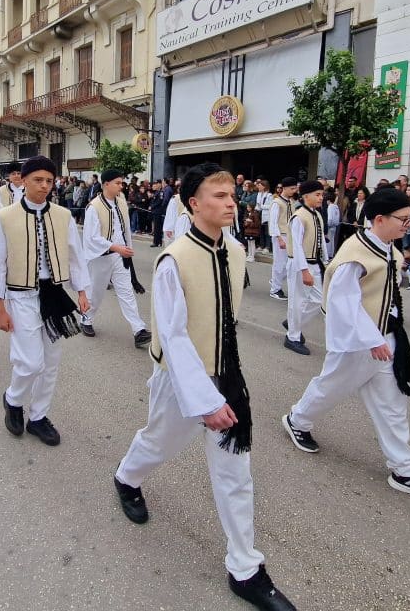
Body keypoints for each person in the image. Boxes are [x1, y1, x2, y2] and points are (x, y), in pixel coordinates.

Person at [113, 163, 297, 611]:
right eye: (218, 195)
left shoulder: (234, 251)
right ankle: (126, 478)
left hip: (225, 376)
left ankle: (245, 568)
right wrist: (205, 400)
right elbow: (173, 338)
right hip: (181, 381)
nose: (231, 202)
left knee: (236, 473)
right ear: (193, 203)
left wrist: (224, 387)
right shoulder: (174, 259)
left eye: (232, 194)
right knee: (158, 441)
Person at [281, 188, 410, 507]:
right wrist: (371, 339)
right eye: (402, 218)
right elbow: (343, 302)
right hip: (357, 342)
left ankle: (405, 470)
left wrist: (388, 328)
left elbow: (385, 292)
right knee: (330, 387)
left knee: (392, 404)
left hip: (382, 338)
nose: (408, 223)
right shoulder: (355, 254)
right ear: (379, 219)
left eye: (409, 217)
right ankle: (297, 420)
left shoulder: (387, 248)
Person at [0, 156, 91, 447]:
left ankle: (38, 417)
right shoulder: (4, 218)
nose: (44, 186)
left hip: (53, 294)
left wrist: (82, 291)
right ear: (23, 181)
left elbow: (76, 256)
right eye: (38, 180)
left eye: (49, 181)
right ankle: (13, 399)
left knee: (51, 362)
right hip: (20, 296)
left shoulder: (63, 216)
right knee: (30, 362)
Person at [80, 169, 151, 349]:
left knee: (126, 292)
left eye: (121, 182)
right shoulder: (93, 207)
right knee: (95, 292)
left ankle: (139, 330)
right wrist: (115, 247)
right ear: (106, 184)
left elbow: (125, 228)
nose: (121, 186)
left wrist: (126, 248)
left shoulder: (121, 202)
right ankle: (86, 319)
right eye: (118, 183)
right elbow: (91, 238)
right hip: (100, 257)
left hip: (120, 256)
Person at [282, 181, 327, 356]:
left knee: (318, 300)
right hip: (300, 264)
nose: (321, 198)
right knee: (297, 301)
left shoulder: (316, 215)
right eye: (317, 194)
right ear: (305, 196)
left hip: (314, 263)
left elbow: (321, 239)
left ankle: (293, 323)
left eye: (322, 195)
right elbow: (298, 247)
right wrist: (304, 270)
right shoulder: (299, 217)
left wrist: (326, 260)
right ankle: (292, 337)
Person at [267, 177, 298, 301]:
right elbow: (273, 222)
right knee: (280, 263)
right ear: (284, 188)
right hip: (281, 235)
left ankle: (275, 281)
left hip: (289, 235)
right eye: (292, 188)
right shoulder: (277, 203)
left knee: (289, 263)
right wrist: (278, 238)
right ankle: (275, 289)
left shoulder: (290, 202)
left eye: (295, 188)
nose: (294, 190)